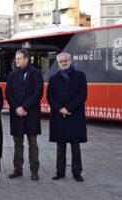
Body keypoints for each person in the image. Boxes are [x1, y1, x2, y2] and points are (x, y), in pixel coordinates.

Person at [46, 52, 88, 182]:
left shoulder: (80, 76)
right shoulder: (53, 78)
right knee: (61, 147)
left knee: (75, 147)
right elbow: (50, 96)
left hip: (75, 116)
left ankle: (77, 173)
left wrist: (68, 108)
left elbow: (82, 95)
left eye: (66, 61)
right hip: (59, 117)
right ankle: (60, 172)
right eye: (61, 61)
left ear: (71, 61)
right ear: (58, 63)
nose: (64, 63)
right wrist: (60, 109)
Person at [5, 49, 44, 181]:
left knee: (32, 143)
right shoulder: (12, 75)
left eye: (19, 59)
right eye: (16, 59)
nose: (17, 61)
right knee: (17, 143)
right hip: (16, 114)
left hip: (31, 113)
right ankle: (18, 169)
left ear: (26, 59)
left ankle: (34, 170)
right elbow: (8, 94)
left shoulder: (36, 74)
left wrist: (25, 107)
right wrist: (17, 108)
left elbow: (38, 93)